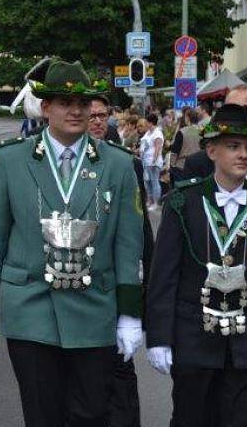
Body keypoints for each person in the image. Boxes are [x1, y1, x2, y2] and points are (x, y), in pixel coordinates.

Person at [0, 59, 144, 427]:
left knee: (92, 414)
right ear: (46, 107)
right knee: (42, 415)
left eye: (82, 103)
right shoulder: (11, 159)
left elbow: (128, 245)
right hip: (32, 307)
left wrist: (130, 314)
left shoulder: (117, 164)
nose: (76, 111)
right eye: (65, 103)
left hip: (94, 307)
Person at [146, 103, 247, 426]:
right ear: (211, 151)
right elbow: (164, 276)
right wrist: (159, 337)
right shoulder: (184, 201)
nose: (244, 155)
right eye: (233, 146)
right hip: (194, 340)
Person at [88, 95, 153, 427]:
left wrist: (147, 287)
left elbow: (141, 228)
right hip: (74, 281)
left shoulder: (127, 163)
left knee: (120, 366)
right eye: (92, 115)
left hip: (115, 279)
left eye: (103, 115)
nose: (98, 121)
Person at [169, 108, 202, 184]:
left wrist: (172, 166)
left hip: (182, 165)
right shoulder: (202, 130)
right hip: (198, 164)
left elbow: (175, 151)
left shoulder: (182, 132)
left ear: (187, 118)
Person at [139, 114, 164, 209]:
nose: (145, 124)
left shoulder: (157, 133)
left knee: (154, 181)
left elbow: (157, 147)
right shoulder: (148, 132)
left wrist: (154, 160)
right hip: (145, 161)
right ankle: (149, 200)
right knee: (147, 182)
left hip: (153, 162)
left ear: (151, 123)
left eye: (147, 122)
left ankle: (156, 202)